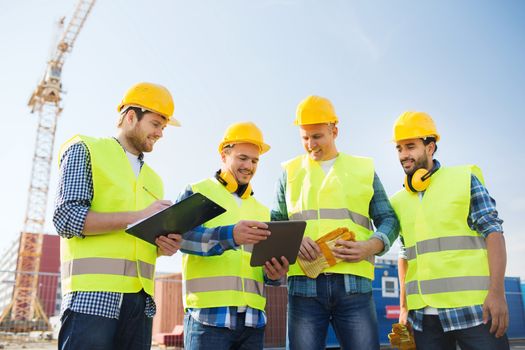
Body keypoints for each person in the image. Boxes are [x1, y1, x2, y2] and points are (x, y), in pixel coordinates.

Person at [53, 82, 183, 350]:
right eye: (156, 124)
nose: (160, 133)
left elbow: (135, 239)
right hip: (93, 296)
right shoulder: (86, 149)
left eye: (163, 127)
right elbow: (67, 218)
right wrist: (138, 216)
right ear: (131, 116)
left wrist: (162, 247)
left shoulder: (154, 180)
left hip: (139, 302)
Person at [271, 95, 399, 350]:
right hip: (303, 286)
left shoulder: (363, 169)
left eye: (317, 136)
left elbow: (388, 219)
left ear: (334, 131)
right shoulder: (289, 172)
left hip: (354, 284)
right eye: (304, 137)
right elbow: (275, 224)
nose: (310, 144)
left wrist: (370, 246)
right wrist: (292, 242)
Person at [390, 111, 510, 350]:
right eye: (399, 148)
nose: (404, 155)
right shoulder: (399, 200)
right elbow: (405, 255)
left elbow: (493, 232)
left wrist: (497, 293)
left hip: (475, 311)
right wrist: (404, 308)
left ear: (430, 147)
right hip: (424, 318)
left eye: (410, 146)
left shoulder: (463, 179)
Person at [179, 122, 289, 350]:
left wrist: (275, 274)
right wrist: (231, 236)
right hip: (209, 319)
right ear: (223, 155)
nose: (249, 166)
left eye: (254, 160)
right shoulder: (200, 191)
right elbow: (180, 237)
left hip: (252, 322)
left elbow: (261, 269)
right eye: (242, 158)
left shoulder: (262, 210)